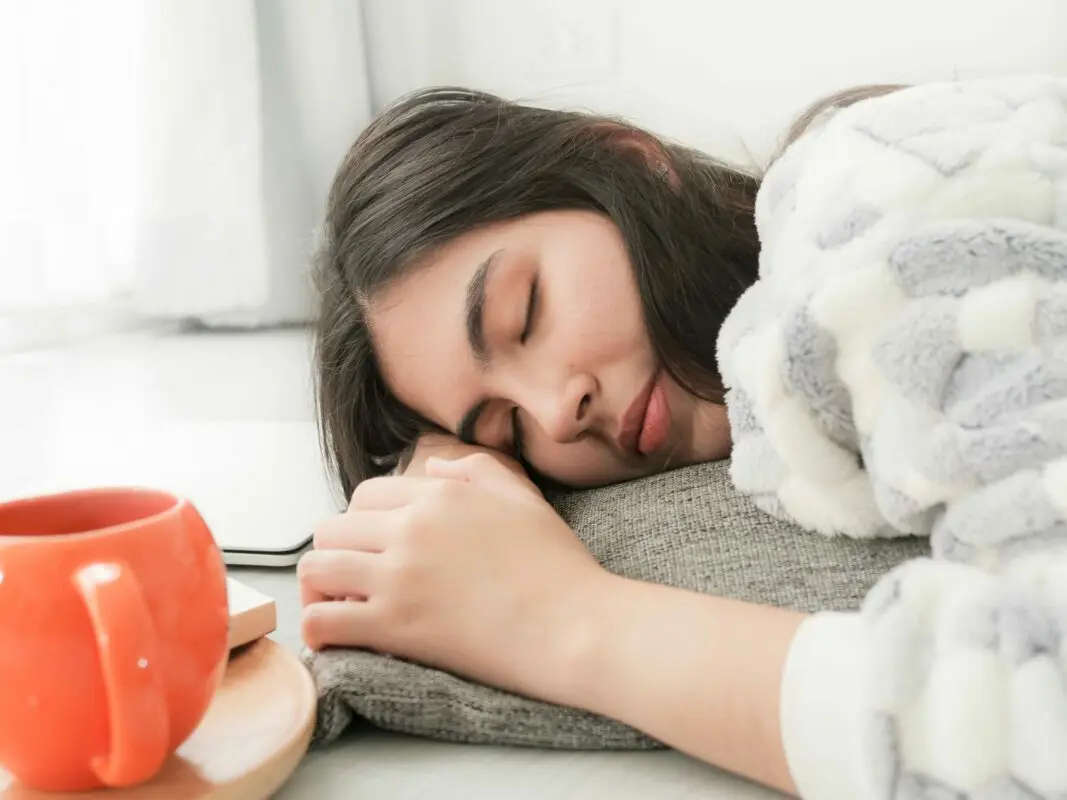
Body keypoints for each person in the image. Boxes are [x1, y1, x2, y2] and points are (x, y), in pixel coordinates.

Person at [298, 76, 1067, 799]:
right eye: (505, 427)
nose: (556, 413)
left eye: (525, 312)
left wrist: (563, 618)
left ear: (632, 165)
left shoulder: (877, 211)